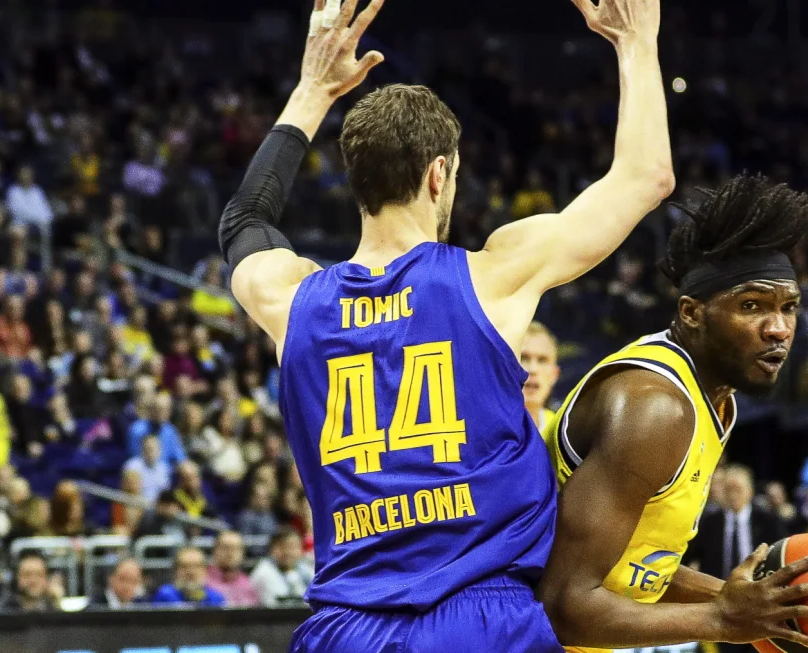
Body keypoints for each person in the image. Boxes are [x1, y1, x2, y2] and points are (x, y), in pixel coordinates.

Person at [218, 0, 673, 649]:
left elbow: (243, 221)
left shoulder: (291, 301)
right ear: (439, 174)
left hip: (343, 626)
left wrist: (312, 90)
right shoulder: (490, 277)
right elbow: (645, 176)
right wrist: (636, 41)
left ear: (359, 180)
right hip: (478, 618)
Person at [539, 174, 808, 651]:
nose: (779, 328)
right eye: (752, 305)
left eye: (789, 307)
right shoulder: (654, 408)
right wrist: (718, 619)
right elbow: (563, 605)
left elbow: (637, 568)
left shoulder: (716, 399)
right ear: (692, 313)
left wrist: (750, 605)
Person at [686, 465, 792, 653]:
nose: (733, 495)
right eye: (728, 489)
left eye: (738, 489)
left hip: (761, 606)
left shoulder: (769, 521)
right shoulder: (709, 523)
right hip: (720, 604)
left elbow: (786, 556)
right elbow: (689, 556)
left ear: (750, 492)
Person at [251, 527, 312, 607]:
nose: (288, 552)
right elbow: (274, 606)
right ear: (272, 549)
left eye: (293, 547)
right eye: (283, 547)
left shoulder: (306, 569)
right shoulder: (263, 573)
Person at [150, 547, 226, 607]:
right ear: (176, 570)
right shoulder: (165, 595)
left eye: (196, 566)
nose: (190, 571)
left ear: (204, 569)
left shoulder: (215, 598)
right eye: (184, 566)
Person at [522, 321, 562, 431]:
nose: (533, 369)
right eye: (523, 358)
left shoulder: (561, 431)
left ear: (555, 374)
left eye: (542, 360)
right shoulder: (479, 426)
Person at [206, 530, 259, 607]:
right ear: (215, 550)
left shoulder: (248, 584)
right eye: (225, 548)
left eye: (235, 548)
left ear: (243, 553)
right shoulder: (203, 580)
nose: (230, 553)